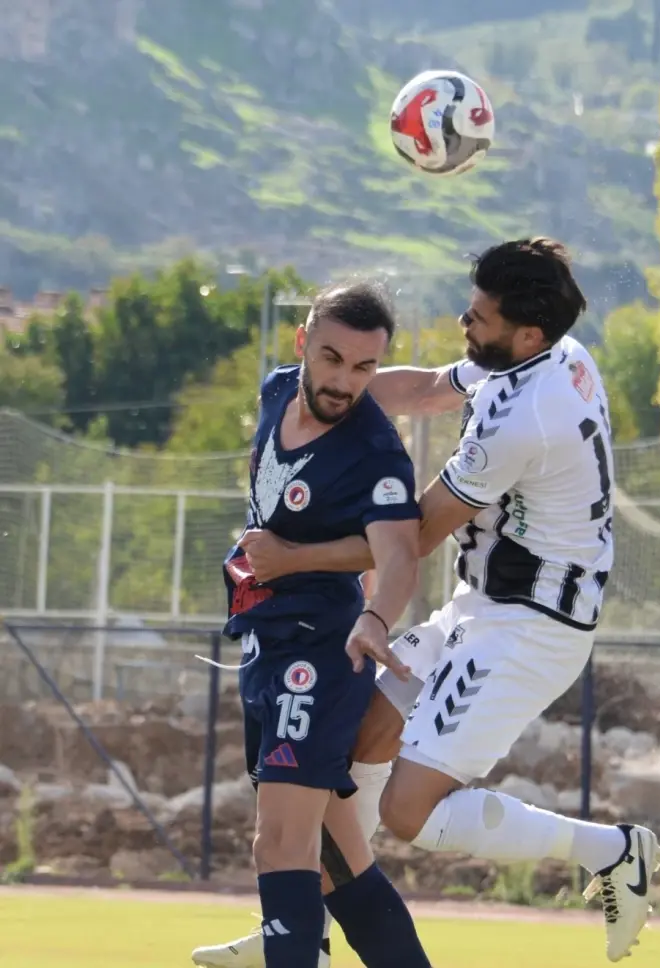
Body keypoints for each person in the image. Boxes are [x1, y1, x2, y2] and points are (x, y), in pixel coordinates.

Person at [194, 238, 660, 967]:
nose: (463, 321)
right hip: (482, 606)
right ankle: (303, 924)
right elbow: (428, 389)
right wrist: (344, 385)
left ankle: (610, 850)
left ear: (527, 334)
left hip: (531, 629)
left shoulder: (521, 418)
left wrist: (294, 557)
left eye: (479, 316)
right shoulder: (555, 354)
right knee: (343, 750)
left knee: (404, 810)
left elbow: (409, 540)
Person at [215, 280, 433, 968]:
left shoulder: (376, 452)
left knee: (281, 845)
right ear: (303, 343)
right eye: (333, 359)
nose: (345, 383)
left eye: (365, 367)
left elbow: (400, 556)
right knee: (339, 866)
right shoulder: (276, 390)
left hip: (320, 653)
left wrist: (375, 616)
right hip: (265, 641)